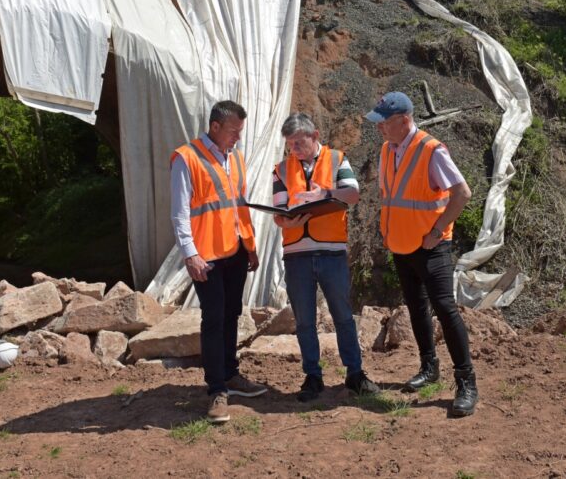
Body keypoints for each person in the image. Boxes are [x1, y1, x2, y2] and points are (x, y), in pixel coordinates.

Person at [365, 92, 478, 417]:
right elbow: (391, 197)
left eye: (384, 123)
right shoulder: (387, 150)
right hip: (402, 245)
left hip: (431, 246)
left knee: (444, 309)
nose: (379, 129)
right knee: (416, 308)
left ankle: (466, 382)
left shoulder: (431, 150)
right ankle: (429, 367)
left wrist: (437, 231)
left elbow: (462, 193)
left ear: (404, 121)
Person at [170, 100, 268, 424]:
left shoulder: (234, 157)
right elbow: (180, 214)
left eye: (240, 131)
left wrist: (250, 246)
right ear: (215, 127)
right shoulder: (187, 158)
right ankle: (216, 389)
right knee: (213, 319)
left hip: (235, 251)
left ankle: (230, 373)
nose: (238, 137)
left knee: (232, 314)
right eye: (233, 131)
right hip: (207, 256)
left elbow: (238, 206)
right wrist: (190, 255)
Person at [272, 113, 381, 401]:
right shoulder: (281, 169)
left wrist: (326, 194)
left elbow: (353, 194)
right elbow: (278, 211)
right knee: (304, 321)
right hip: (296, 255)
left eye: (299, 142)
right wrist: (285, 220)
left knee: (343, 315)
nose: (294, 149)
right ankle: (313, 377)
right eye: (290, 144)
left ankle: (355, 374)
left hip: (331, 252)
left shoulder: (336, 159)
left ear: (315, 135)